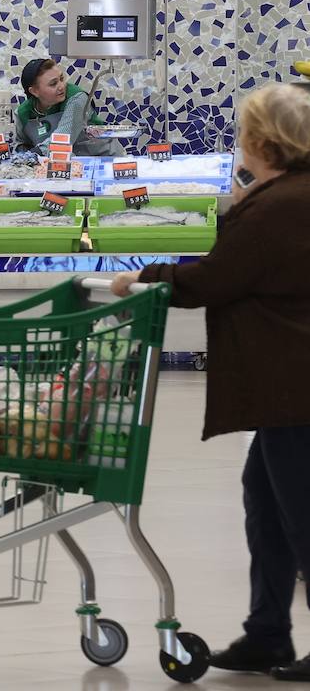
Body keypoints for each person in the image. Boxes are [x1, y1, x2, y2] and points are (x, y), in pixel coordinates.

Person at [111, 83, 310, 681]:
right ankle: (267, 634)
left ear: (259, 141)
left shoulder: (284, 205)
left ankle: (269, 632)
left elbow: (216, 279)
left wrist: (145, 277)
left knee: (300, 513)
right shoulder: (287, 196)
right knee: (268, 507)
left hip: (292, 385)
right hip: (286, 384)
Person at [14, 58, 122, 156]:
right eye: (53, 84)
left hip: (101, 160)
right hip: (61, 168)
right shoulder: (23, 113)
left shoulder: (77, 98)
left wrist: (29, 156)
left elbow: (62, 140)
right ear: (34, 91)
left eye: (61, 79)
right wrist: (21, 155)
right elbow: (21, 144)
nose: (61, 86)